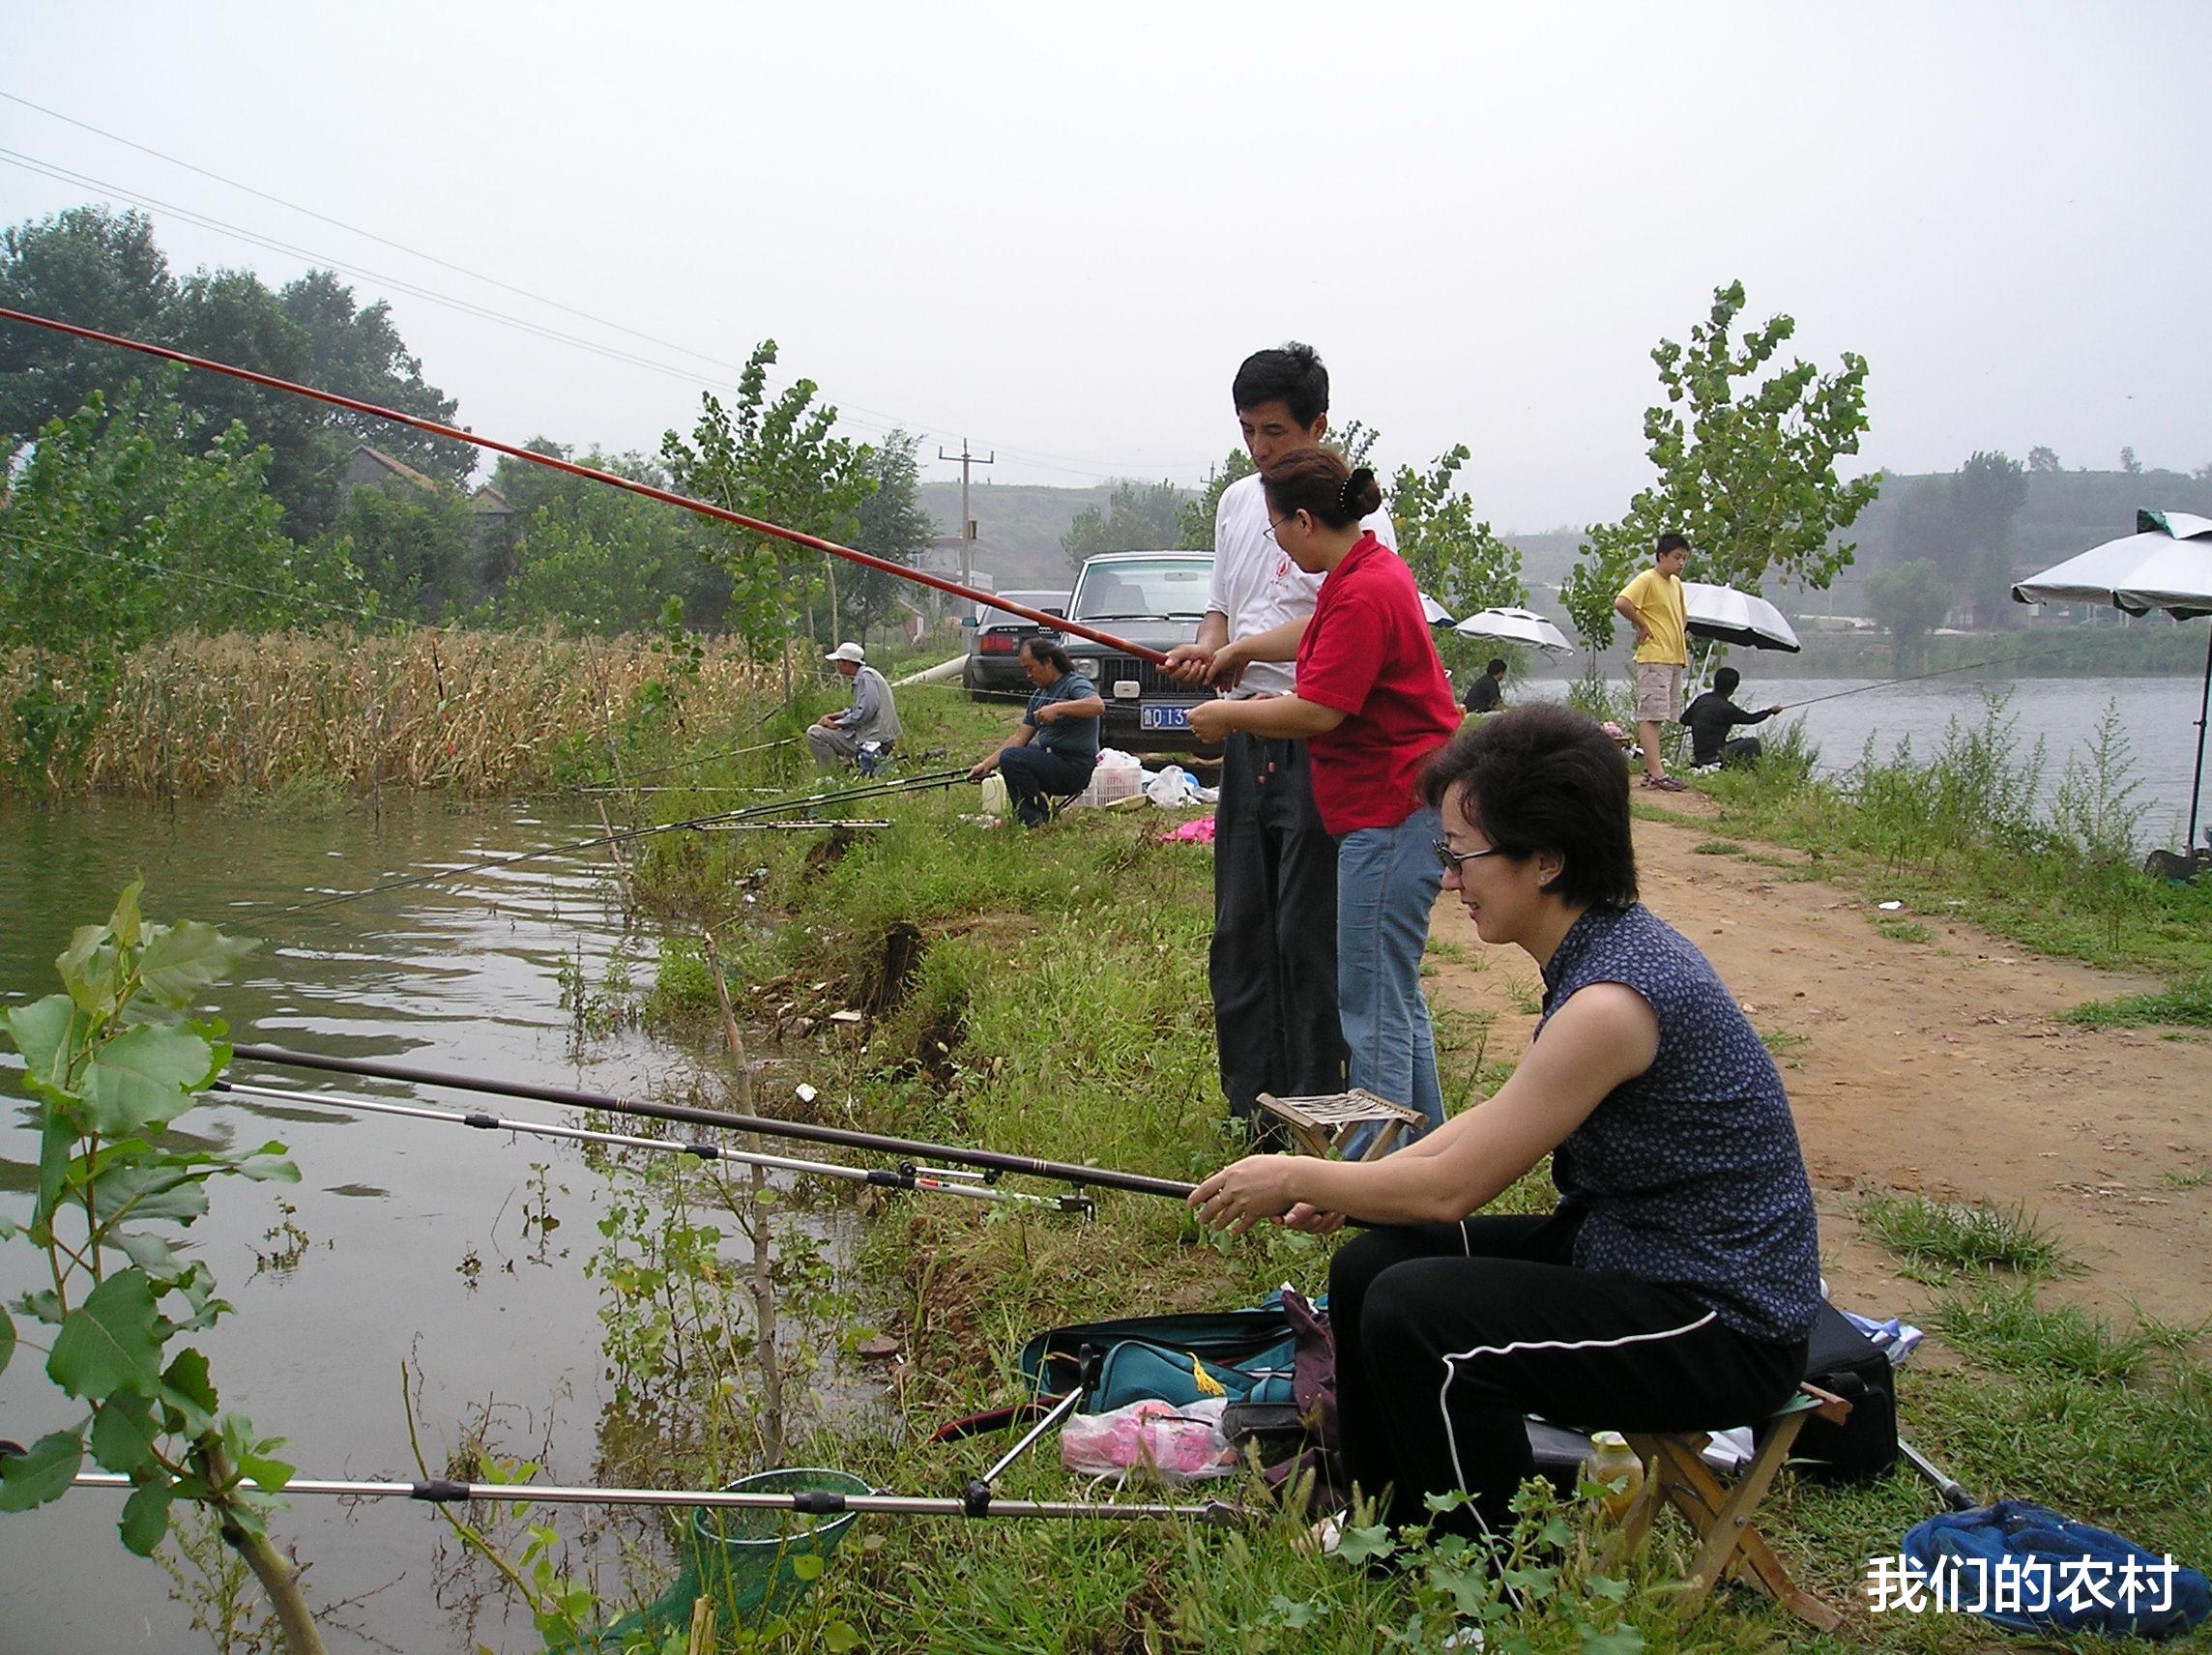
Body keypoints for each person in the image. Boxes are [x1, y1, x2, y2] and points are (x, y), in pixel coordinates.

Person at [1189, 703, 1820, 1553]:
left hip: (1719, 1320)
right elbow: (1493, 1122)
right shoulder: (1598, 952)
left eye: (1461, 858)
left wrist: (1301, 1176)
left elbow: (1455, 1186)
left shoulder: (1612, 1001)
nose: (1449, 881)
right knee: (1373, 1266)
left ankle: (1480, 1575)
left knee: (1421, 1314)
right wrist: (1361, 1191)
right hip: (1630, 1252)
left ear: (1548, 861)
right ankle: (1385, 1524)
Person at [1186, 450, 1460, 1143]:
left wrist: (1227, 716)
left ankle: (1377, 1181)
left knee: (1370, 1006)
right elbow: (1314, 632)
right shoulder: (1363, 572)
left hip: (1391, 816)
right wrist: (1238, 652)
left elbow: (1318, 712)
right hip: (1398, 810)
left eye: (1277, 531)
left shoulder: (1365, 590)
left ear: (1305, 522)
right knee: (1395, 1001)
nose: (1274, 543)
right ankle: (1427, 1157)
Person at [1160, 342, 1399, 1135]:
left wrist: (1241, 655)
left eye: (1275, 431)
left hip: (1315, 735)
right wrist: (1211, 645)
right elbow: (1223, 605)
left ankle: (1314, 1114)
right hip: (1248, 738)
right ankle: (1250, 1109)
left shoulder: (1353, 514)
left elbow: (1342, 626)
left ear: (1318, 424)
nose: (1260, 449)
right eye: (1248, 431)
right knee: (1242, 931)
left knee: (1307, 937)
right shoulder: (1237, 504)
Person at [967, 637, 1104, 828]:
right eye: (1025, 669)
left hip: (1075, 767)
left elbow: (1097, 705)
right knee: (1016, 754)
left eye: (1030, 668)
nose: (1028, 675)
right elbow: (1019, 738)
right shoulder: (1038, 697)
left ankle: (1034, 820)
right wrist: (986, 765)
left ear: (1048, 662)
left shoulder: (1074, 683)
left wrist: (1058, 708)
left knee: (1013, 758)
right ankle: (1029, 814)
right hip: (1053, 759)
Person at [1614, 534, 1691, 791]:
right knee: (1651, 715)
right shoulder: (1647, 579)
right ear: (1662, 556)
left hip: (1673, 656)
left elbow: (1682, 617)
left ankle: (1651, 769)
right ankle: (1657, 774)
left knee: (1664, 714)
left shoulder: (1676, 584)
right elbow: (1622, 602)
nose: (1681, 563)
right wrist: (1643, 625)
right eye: (1677, 557)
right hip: (1654, 656)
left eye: (1684, 558)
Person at [805, 642, 901, 770]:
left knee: (814, 733)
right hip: (878, 736)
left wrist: (837, 724)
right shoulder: (866, 675)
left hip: (874, 739)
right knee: (834, 731)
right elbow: (857, 710)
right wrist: (832, 717)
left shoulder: (865, 678)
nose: (837, 667)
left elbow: (866, 711)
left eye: (839, 662)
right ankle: (847, 765)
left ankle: (833, 772)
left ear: (847, 663)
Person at [1680, 666, 1782, 769]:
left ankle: (1734, 770)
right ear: (1733, 688)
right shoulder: (1727, 708)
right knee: (1752, 743)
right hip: (1714, 757)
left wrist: (1703, 723)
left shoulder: (1702, 699)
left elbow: (1684, 720)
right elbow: (1751, 719)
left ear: (1715, 683)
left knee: (1741, 741)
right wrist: (1770, 712)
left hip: (1700, 756)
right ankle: (1754, 774)